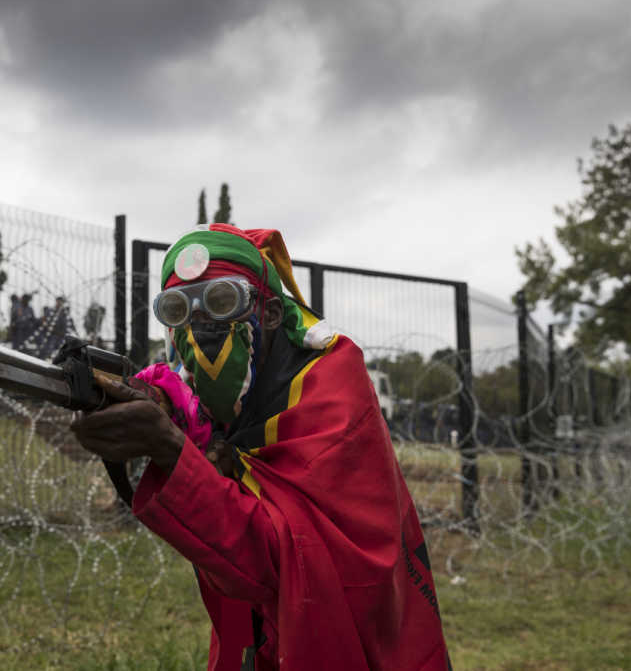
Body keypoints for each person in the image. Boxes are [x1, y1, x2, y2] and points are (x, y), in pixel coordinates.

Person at [71, 224, 450, 670]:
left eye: (222, 301)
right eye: (178, 310)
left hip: (352, 643)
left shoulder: (331, 390)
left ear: (268, 314)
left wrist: (172, 450)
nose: (203, 326)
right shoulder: (214, 406)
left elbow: (287, 565)